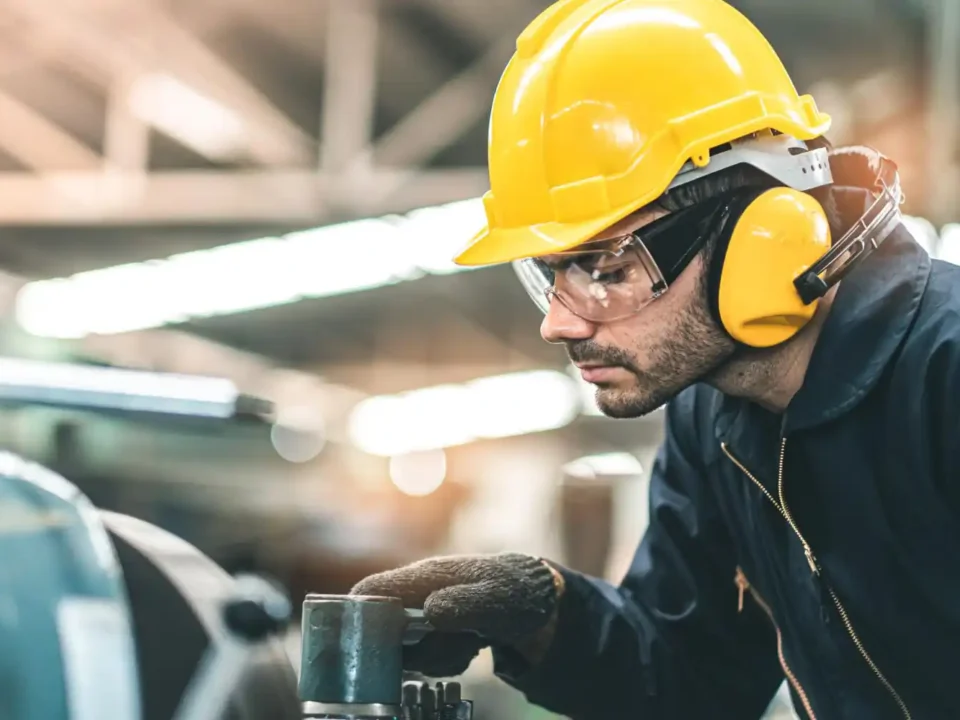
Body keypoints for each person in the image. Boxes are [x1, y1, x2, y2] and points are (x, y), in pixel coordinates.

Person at [353, 1, 960, 717]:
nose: (556, 323)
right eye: (550, 276)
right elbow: (690, 678)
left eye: (606, 269)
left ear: (766, 233)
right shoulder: (716, 424)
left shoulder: (945, 370)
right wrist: (542, 615)